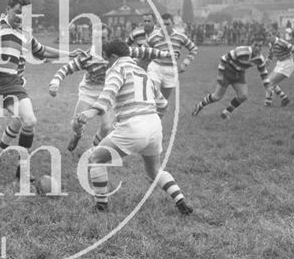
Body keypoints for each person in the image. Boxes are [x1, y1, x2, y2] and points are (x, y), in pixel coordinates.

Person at [0, 0, 82, 181]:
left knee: (30, 121)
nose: (21, 18)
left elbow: (42, 51)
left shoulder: (25, 33)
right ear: (7, 10)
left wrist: (70, 54)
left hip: (12, 84)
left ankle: (22, 168)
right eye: (17, 12)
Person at [75, 40, 193, 215]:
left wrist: (91, 112)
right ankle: (180, 200)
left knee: (95, 159)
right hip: (154, 127)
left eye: (107, 59)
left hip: (132, 127)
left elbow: (108, 94)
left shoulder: (117, 69)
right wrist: (153, 121)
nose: (107, 63)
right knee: (154, 170)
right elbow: (163, 104)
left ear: (114, 57)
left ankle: (101, 206)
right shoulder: (142, 73)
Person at [49, 34, 174, 151]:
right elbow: (65, 69)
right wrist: (55, 84)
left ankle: (94, 150)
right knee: (77, 123)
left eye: (105, 37)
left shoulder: (117, 52)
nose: (103, 41)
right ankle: (77, 134)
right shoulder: (86, 57)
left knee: (107, 126)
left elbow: (145, 52)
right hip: (89, 91)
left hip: (109, 88)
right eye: (99, 38)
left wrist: (167, 54)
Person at [192, 36, 269, 119]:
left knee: (243, 96)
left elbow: (263, 72)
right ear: (251, 44)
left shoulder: (260, 58)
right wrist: (220, 75)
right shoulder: (241, 51)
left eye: (260, 46)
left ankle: (226, 113)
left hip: (239, 74)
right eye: (255, 45)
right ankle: (199, 106)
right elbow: (224, 59)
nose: (257, 48)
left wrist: (267, 86)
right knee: (217, 97)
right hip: (227, 72)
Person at [146, 13, 198, 100]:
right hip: (155, 68)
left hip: (170, 70)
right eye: (163, 24)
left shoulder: (180, 37)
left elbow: (193, 49)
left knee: (162, 102)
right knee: (154, 96)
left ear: (173, 23)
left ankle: (157, 113)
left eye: (167, 24)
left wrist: (185, 64)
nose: (165, 27)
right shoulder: (154, 37)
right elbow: (143, 51)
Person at [264, 28, 294, 107]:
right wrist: (264, 66)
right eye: (267, 36)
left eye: (270, 35)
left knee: (270, 83)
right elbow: (269, 57)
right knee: (269, 82)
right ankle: (284, 99)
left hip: (287, 64)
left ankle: (267, 104)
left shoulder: (281, 42)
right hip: (280, 63)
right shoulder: (270, 44)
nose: (268, 37)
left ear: (275, 35)